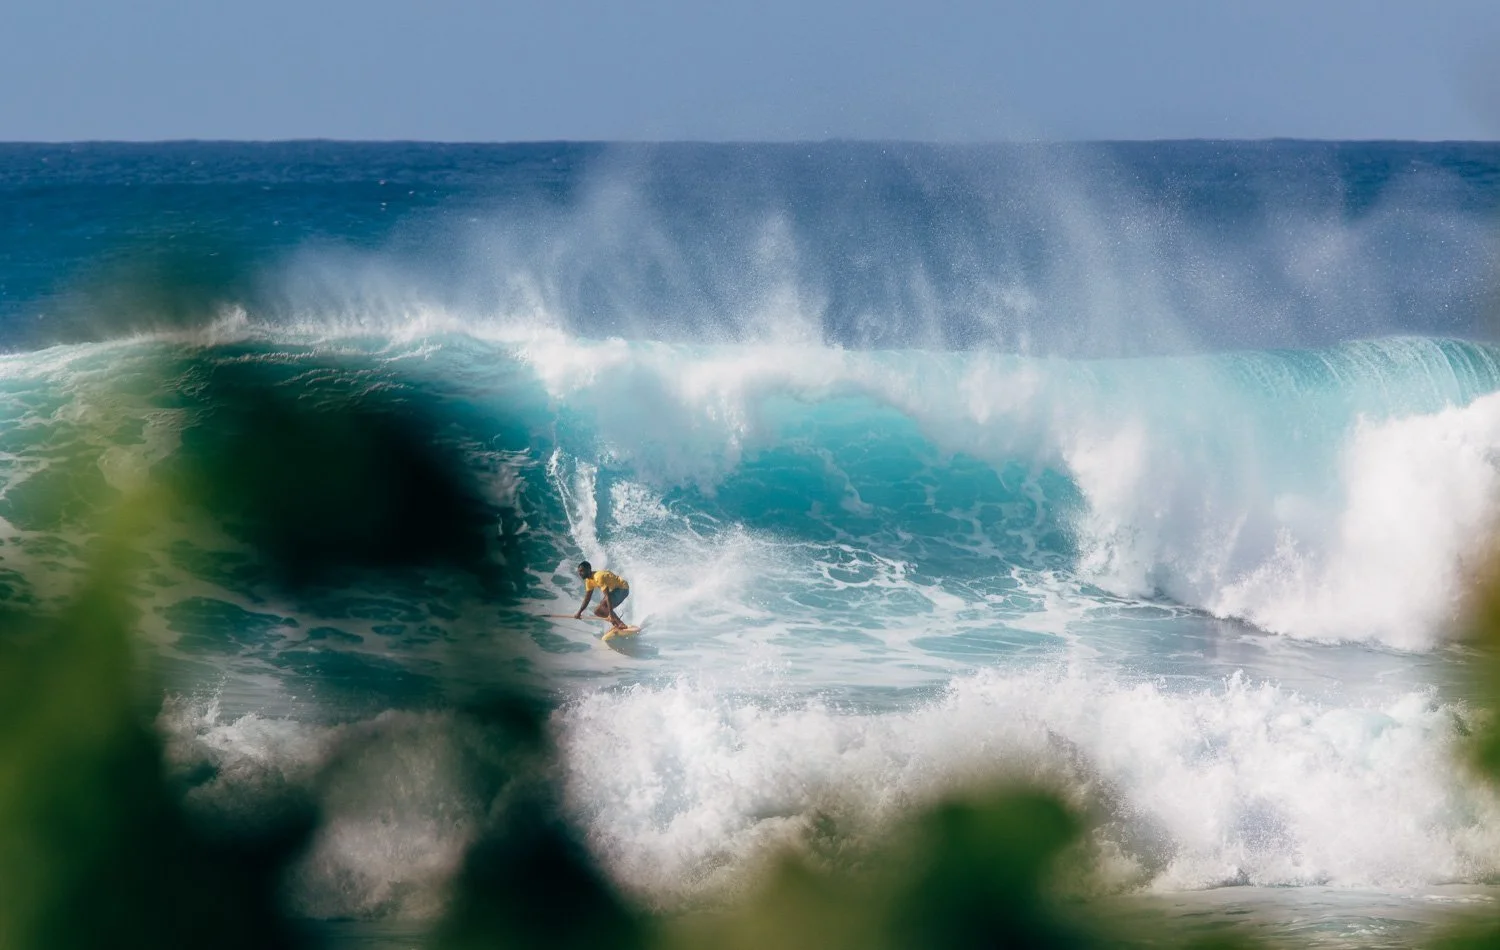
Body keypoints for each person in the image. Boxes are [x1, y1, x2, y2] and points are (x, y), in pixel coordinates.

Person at [574, 561, 630, 631]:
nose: (580, 573)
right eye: (579, 571)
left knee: (603, 605)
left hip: (623, 588)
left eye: (582, 571)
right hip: (615, 590)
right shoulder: (588, 581)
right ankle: (616, 624)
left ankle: (620, 624)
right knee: (597, 611)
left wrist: (611, 614)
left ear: (588, 569)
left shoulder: (598, 577)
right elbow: (587, 599)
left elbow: (608, 596)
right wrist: (579, 613)